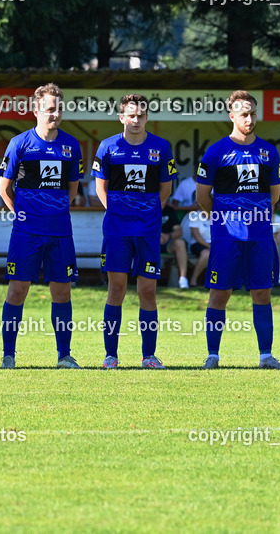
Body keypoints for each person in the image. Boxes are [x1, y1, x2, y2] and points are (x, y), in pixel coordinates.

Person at [0, 83, 83, 369]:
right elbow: (4, 189)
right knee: (17, 290)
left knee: (62, 292)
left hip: (60, 232)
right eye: (49, 109)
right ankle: (8, 355)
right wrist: (20, 215)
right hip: (26, 233)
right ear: (36, 110)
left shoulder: (72, 146)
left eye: (59, 108)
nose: (55, 114)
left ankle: (64, 355)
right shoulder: (20, 143)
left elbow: (72, 189)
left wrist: (54, 210)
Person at [196, 90, 280, 369]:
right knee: (219, 294)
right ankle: (212, 355)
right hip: (226, 238)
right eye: (244, 113)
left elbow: (274, 196)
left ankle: (266, 356)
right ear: (231, 116)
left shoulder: (269, 152)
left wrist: (255, 216)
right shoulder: (216, 152)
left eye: (253, 113)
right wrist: (223, 220)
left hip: (260, 237)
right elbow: (202, 196)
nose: (249, 118)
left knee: (262, 293)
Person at [92, 94, 177, 369]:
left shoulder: (161, 147)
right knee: (116, 290)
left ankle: (149, 356)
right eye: (131, 115)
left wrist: (148, 213)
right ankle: (110, 356)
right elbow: (99, 188)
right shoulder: (107, 147)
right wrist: (116, 211)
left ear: (147, 117)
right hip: (117, 231)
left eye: (141, 115)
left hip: (148, 231)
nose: (136, 120)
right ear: (122, 118)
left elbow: (166, 190)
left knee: (148, 292)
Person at [161, 207, 189, 288]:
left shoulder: (170, 210)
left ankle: (183, 279)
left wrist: (168, 236)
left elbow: (179, 231)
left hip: (167, 242)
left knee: (180, 243)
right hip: (150, 241)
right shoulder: (147, 208)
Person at [188, 211, 211, 286]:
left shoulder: (217, 215)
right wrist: (210, 247)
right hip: (197, 244)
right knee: (206, 254)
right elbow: (196, 236)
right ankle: (193, 280)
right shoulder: (195, 215)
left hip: (214, 244)